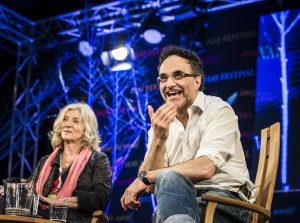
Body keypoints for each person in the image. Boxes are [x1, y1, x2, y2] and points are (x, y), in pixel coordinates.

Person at [120, 46, 255, 223]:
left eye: (178, 75)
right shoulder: (160, 123)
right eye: (163, 78)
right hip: (180, 204)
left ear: (197, 81)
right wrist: (159, 141)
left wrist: (146, 177)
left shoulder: (218, 110)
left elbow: (205, 168)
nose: (169, 84)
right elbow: (151, 187)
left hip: (226, 204)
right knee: (168, 189)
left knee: (168, 186)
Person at [30, 102, 112, 223]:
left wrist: (58, 202)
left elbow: (100, 198)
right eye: (65, 119)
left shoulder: (98, 160)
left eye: (75, 121)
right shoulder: (45, 161)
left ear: (86, 129)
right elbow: (31, 191)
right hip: (39, 217)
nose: (68, 124)